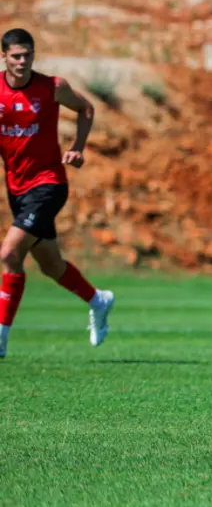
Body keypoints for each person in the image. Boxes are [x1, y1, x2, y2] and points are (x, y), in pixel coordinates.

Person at [0, 28, 115, 358]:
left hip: (49, 184)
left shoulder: (51, 88)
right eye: (16, 56)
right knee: (50, 266)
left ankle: (1, 339)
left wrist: (78, 147)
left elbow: (86, 108)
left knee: (9, 254)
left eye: (27, 55)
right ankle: (99, 300)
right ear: (4, 57)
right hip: (17, 189)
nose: (22, 61)